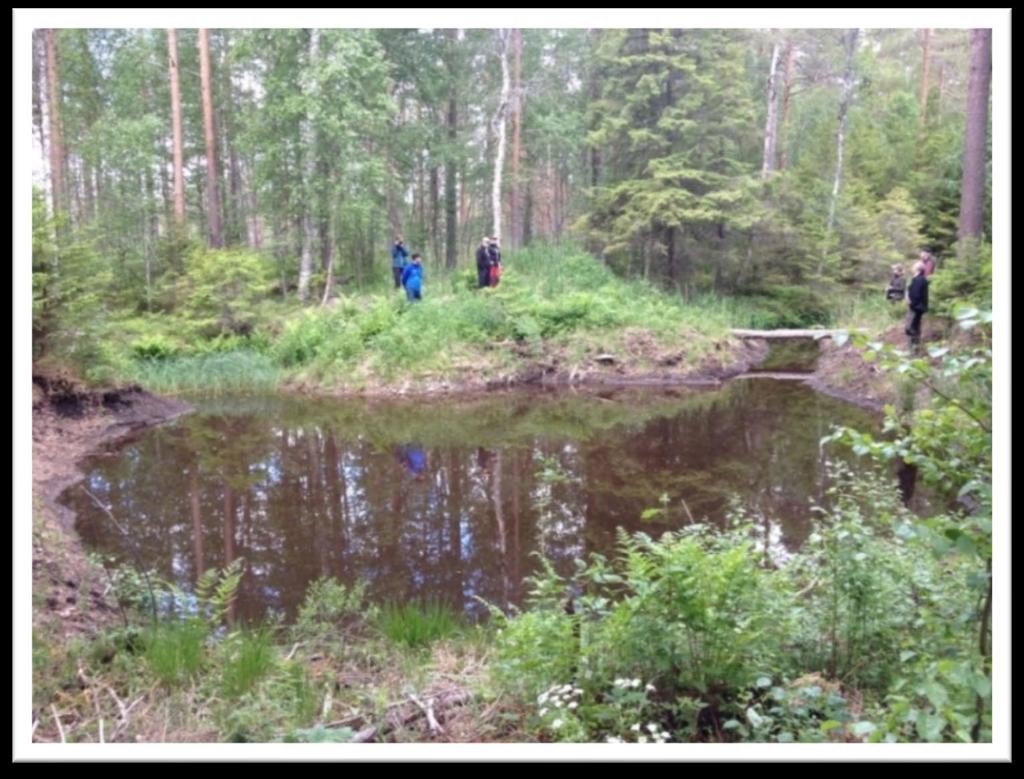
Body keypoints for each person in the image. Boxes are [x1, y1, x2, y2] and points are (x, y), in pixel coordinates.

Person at [905, 260, 929, 343]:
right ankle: (914, 345)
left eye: (913, 266)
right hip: (918, 306)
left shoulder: (919, 280)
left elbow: (916, 294)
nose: (912, 268)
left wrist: (911, 303)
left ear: (917, 269)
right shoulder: (919, 279)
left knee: (910, 328)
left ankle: (914, 345)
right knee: (914, 326)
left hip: (916, 307)